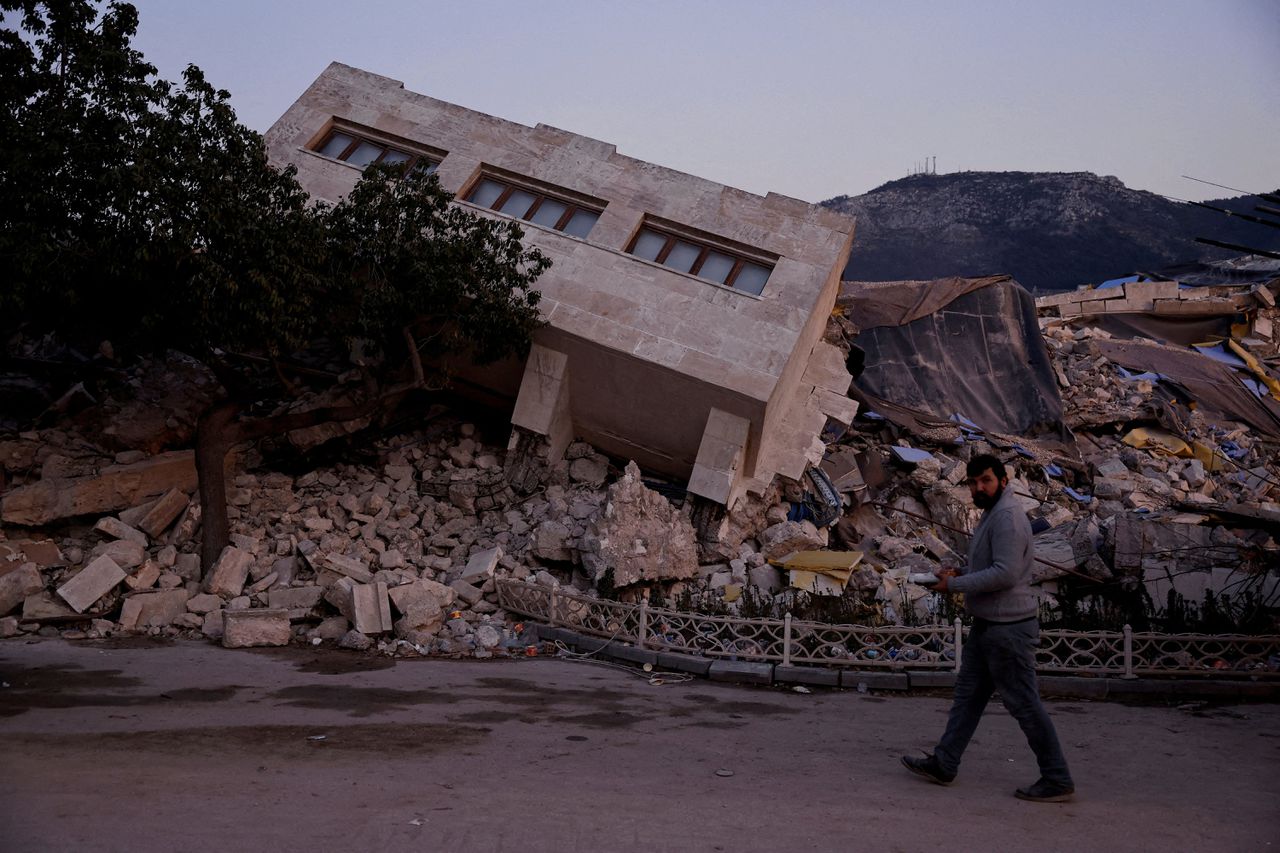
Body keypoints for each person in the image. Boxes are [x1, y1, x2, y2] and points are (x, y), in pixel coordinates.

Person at [900, 453, 1075, 802]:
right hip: (989, 625)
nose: (979, 487)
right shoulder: (994, 514)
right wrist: (959, 573)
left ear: (1003, 482)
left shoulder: (1007, 518)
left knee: (1024, 704)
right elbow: (990, 565)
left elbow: (1005, 574)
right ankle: (945, 762)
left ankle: (1057, 777)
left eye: (986, 481)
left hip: (1008, 629)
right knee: (968, 698)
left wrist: (953, 587)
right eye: (974, 482)